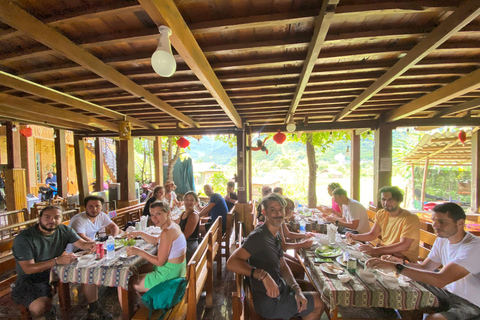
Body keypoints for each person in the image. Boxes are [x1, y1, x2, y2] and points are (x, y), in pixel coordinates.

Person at [366, 202, 480, 320]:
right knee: (400, 290)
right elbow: (426, 267)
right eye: (434, 220)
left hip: (471, 303)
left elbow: (441, 280)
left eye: (442, 221)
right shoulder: (443, 239)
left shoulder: (474, 247)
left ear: (460, 223)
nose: (435, 225)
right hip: (446, 293)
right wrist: (400, 263)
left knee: (432, 319)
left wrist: (396, 267)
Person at [227, 193, 325, 320]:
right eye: (273, 210)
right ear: (264, 212)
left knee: (309, 289)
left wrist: (297, 289)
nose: (278, 214)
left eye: (281, 209)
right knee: (320, 303)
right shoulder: (259, 237)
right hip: (270, 302)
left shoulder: (275, 234)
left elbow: (283, 266)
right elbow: (231, 263)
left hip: (280, 289)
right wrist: (262, 275)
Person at [11, 206, 101, 320]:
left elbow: (82, 244)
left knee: (89, 272)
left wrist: (93, 245)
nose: (52, 221)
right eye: (47, 217)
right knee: (39, 307)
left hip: (56, 271)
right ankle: (49, 312)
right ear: (39, 218)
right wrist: (57, 261)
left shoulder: (64, 230)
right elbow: (28, 269)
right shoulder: (25, 238)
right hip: (30, 278)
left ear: (62, 219)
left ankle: (94, 308)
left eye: (56, 217)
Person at [119, 201, 186, 307]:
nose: (154, 219)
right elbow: (156, 241)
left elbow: (159, 262)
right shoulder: (173, 226)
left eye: (158, 214)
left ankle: (128, 314)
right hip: (176, 270)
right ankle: (146, 302)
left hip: (168, 276)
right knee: (135, 270)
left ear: (168, 212)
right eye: (152, 215)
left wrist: (139, 251)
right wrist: (140, 233)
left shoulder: (167, 233)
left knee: (125, 281)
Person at [67, 195, 119, 319]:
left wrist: (114, 237)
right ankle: (93, 305)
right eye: (91, 206)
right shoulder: (78, 219)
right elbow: (81, 238)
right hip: (76, 250)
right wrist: (98, 245)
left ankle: (113, 282)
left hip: (92, 245)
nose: (94, 209)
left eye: (97, 206)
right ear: (85, 207)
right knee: (92, 268)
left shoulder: (101, 215)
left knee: (113, 256)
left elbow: (113, 227)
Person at [346, 186, 420, 262]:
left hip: (402, 257)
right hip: (383, 252)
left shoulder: (410, 218)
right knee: (351, 256)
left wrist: (375, 250)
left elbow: (404, 246)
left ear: (399, 200)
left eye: (390, 199)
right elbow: (373, 235)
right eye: (383, 199)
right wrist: (355, 237)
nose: (386, 203)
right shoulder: (381, 213)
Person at [281, 197, 315, 278]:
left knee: (300, 264)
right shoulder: (277, 221)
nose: (288, 210)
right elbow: (284, 246)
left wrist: (304, 235)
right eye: (286, 207)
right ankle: (296, 288)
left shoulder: (281, 219)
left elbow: (288, 234)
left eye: (290, 208)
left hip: (278, 252)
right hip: (275, 256)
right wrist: (302, 244)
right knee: (301, 269)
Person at [179, 191, 200, 262]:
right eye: (186, 199)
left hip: (189, 245)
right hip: (185, 242)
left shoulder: (193, 215)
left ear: (196, 202)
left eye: (191, 200)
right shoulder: (183, 213)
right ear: (183, 201)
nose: (188, 202)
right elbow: (176, 226)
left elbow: (185, 236)